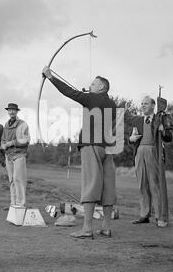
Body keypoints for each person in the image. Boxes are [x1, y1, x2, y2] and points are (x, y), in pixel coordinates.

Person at [42, 66, 117, 239]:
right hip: (107, 148)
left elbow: (69, 92)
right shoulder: (112, 104)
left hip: (91, 145)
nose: (90, 86)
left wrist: (50, 77)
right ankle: (106, 227)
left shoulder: (92, 98)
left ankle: (87, 229)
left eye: (93, 84)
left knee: (90, 184)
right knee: (107, 187)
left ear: (101, 87)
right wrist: (88, 98)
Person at [129, 96, 172, 227]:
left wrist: (162, 130)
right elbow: (131, 139)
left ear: (153, 106)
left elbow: (169, 137)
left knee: (155, 184)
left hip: (154, 151)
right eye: (141, 103)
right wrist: (131, 139)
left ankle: (160, 217)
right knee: (142, 184)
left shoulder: (161, 119)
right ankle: (144, 215)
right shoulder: (137, 121)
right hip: (139, 153)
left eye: (146, 103)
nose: (142, 106)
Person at [1, 103, 30, 208]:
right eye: (9, 110)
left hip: (19, 155)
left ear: (17, 111)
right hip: (8, 155)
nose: (11, 112)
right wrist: (3, 145)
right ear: (8, 112)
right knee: (12, 180)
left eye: (13, 110)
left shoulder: (23, 124)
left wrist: (12, 143)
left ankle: (20, 204)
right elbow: (3, 139)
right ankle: (13, 204)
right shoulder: (6, 125)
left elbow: (26, 140)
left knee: (19, 179)